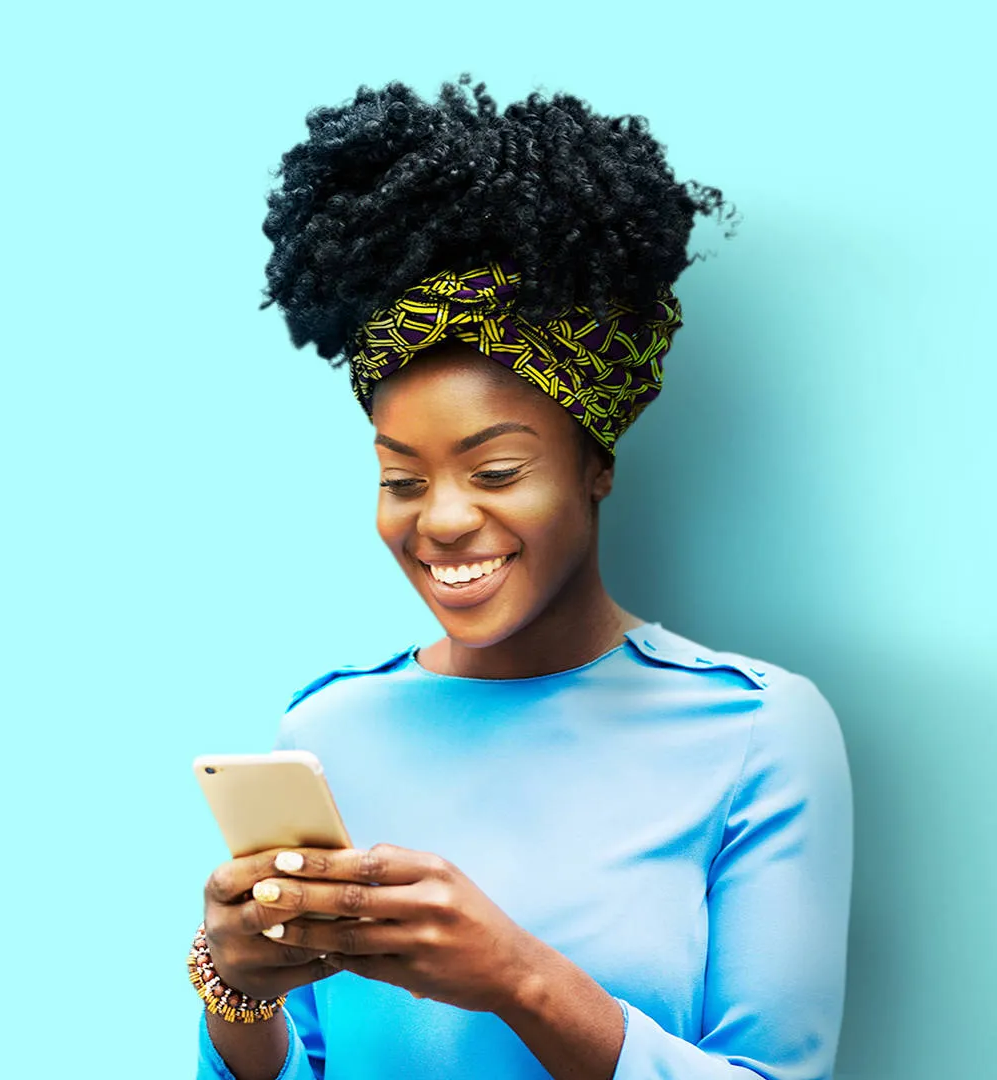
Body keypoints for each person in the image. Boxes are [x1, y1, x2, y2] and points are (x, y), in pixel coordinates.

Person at [189, 75, 853, 1080]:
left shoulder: (758, 733)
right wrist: (239, 991)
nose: (444, 519)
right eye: (401, 478)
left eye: (496, 471)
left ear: (596, 466)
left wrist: (518, 979)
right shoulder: (325, 734)